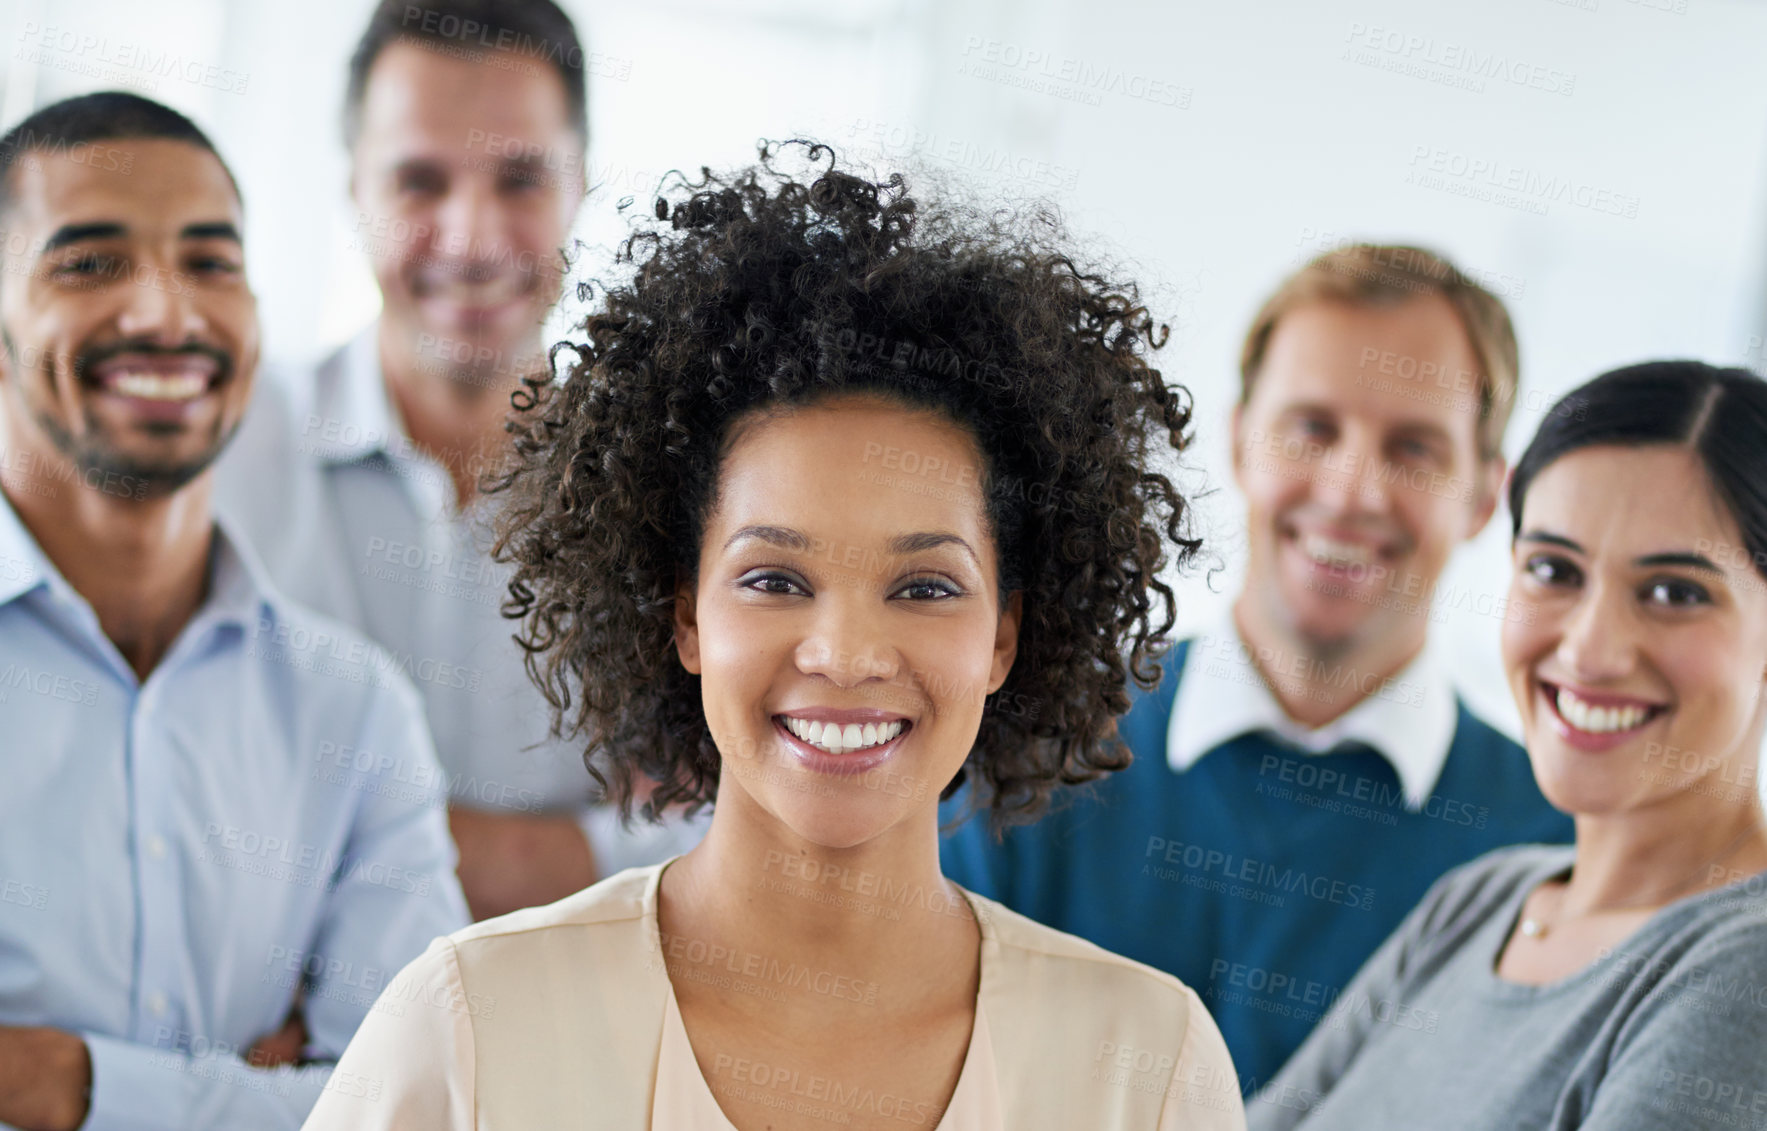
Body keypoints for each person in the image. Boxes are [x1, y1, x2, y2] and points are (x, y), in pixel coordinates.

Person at [300, 144, 1246, 1128]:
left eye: (924, 586)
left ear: (1006, 636)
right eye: (773, 579)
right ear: (683, 612)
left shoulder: (1143, 1066)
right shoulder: (470, 1028)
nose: (843, 653)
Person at [940, 244, 1574, 1089]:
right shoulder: (1027, 744)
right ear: (1240, 441)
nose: (1351, 490)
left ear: (1483, 497)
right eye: (1312, 428)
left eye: (1414, 447)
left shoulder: (1549, 841)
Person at [0, 91, 467, 1130]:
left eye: (211, 262)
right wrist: (255, 1102)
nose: (167, 314)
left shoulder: (357, 715)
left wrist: (58, 1083)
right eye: (88, 262)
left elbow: (413, 1112)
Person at [214, 0, 703, 921]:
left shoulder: (681, 487)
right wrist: (548, 853)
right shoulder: (223, 446)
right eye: (419, 181)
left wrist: (343, 848)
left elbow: (714, 845)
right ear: (352, 191)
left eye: (520, 178)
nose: (473, 238)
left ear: (582, 184)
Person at [1250, 360, 1767, 1130]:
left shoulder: (1742, 973)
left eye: (1673, 592)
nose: (1589, 651)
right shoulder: (1480, 901)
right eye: (1553, 570)